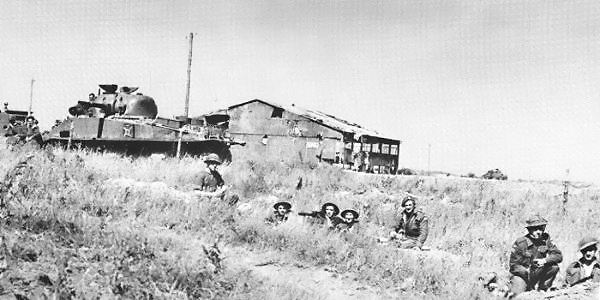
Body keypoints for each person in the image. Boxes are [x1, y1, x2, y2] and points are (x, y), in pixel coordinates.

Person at [509, 214, 562, 294]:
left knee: (554, 267)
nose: (539, 232)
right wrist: (526, 271)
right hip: (523, 275)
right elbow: (513, 265)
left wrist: (544, 260)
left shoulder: (546, 239)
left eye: (541, 229)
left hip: (538, 272)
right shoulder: (521, 243)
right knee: (518, 294)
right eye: (535, 229)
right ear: (530, 230)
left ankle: (542, 289)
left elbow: (558, 256)